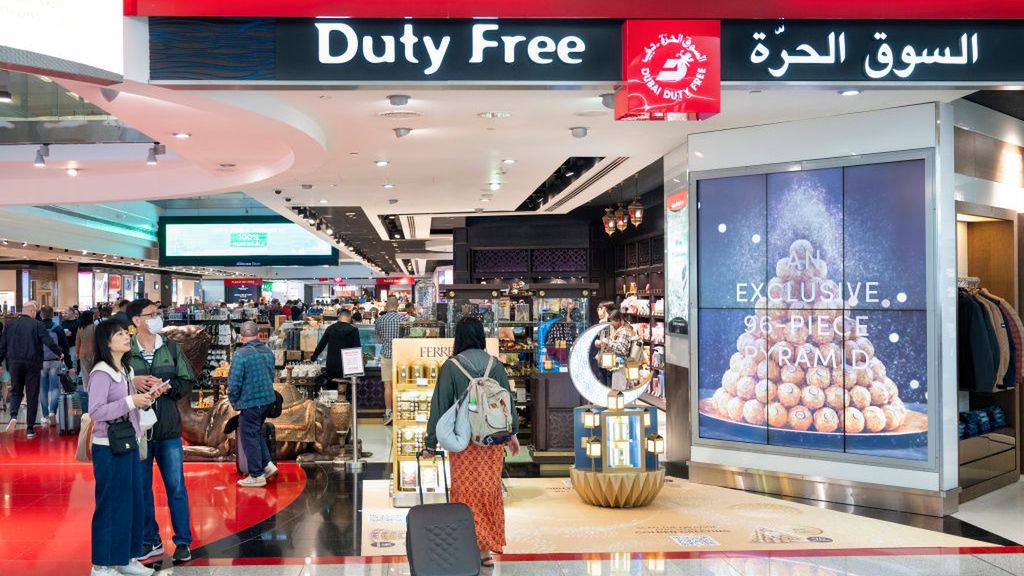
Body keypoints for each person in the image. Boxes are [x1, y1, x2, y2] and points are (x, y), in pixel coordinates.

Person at [424, 317, 520, 568]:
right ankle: (486, 550)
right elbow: (506, 403)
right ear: (480, 336)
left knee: (465, 493)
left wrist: (430, 444)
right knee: (489, 492)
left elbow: (440, 407)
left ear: (458, 337)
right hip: (492, 441)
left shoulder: (451, 367)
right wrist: (512, 433)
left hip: (464, 442)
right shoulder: (495, 365)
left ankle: (466, 546)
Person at [89, 319, 164, 576]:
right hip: (108, 447)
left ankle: (126, 557)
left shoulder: (125, 370)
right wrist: (131, 400)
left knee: (133, 502)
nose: (125, 337)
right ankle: (101, 564)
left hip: (129, 442)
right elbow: (97, 411)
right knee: (111, 504)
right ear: (106, 341)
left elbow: (128, 405)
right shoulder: (101, 372)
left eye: (125, 333)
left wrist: (144, 400)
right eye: (119, 334)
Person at [127, 299, 195, 565]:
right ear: (136, 321)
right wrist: (133, 382)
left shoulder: (171, 348)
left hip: (167, 428)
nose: (157, 318)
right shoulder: (125, 351)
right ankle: (150, 541)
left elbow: (186, 381)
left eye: (158, 313)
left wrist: (169, 388)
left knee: (176, 487)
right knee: (142, 489)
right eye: (151, 314)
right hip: (138, 431)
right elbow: (111, 383)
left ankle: (183, 542)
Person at [0, 301, 64, 438]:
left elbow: (2, 346)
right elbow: (47, 341)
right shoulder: (37, 325)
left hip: (14, 364)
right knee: (32, 395)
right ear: (33, 312)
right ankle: (29, 429)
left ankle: (13, 416)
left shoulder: (9, 325)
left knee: (16, 391)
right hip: (32, 364)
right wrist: (59, 352)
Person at [228, 321, 279, 487]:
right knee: (256, 433)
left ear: (241, 337)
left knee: (249, 436)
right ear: (258, 334)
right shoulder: (267, 351)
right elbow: (272, 376)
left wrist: (234, 401)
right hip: (267, 400)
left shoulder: (240, 355)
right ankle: (267, 465)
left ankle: (256, 474)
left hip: (250, 402)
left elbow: (234, 382)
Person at [38, 305, 74, 427]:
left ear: (41, 315)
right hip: (55, 360)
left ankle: (45, 415)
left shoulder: (37, 327)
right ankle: (53, 411)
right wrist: (70, 365)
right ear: (53, 315)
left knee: (42, 388)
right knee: (55, 388)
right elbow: (65, 347)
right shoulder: (58, 328)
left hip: (41, 362)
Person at [312, 308, 362, 381]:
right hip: (347, 365)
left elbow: (321, 345)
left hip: (331, 364)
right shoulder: (353, 330)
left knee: (331, 388)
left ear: (339, 317)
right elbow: (357, 348)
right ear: (349, 317)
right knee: (345, 389)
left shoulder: (330, 328)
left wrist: (313, 358)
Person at [374, 296, 402, 425]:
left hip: (386, 355)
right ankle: (400, 411)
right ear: (397, 306)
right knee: (400, 385)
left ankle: (388, 412)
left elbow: (378, 340)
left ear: (386, 306)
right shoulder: (404, 320)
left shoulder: (380, 320)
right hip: (401, 356)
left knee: (388, 386)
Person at [598, 310, 637, 391]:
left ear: (618, 320)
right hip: (617, 364)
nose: (612, 325)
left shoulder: (624, 332)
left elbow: (621, 349)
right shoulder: (621, 330)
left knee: (618, 389)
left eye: (613, 322)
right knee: (617, 388)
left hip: (620, 365)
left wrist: (608, 342)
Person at [76, 309, 97, 389]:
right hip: (94, 353)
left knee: (85, 374)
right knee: (94, 372)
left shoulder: (80, 328)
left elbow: (77, 342)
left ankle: (86, 390)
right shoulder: (94, 327)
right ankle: (94, 389)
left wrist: (77, 353)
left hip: (83, 353)